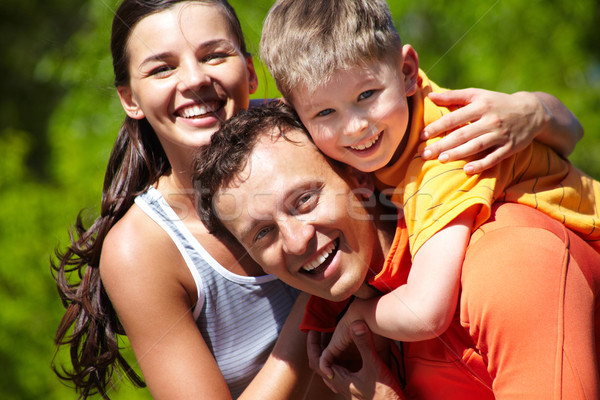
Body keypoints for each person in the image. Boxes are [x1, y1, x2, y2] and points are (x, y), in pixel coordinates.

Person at [50, 0, 586, 398]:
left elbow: (406, 99)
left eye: (214, 55)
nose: (195, 80)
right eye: (162, 67)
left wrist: (534, 110)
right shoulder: (145, 248)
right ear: (129, 98)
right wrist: (323, 310)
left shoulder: (326, 123)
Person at [259, 0, 600, 386]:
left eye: (367, 95)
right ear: (296, 115)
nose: (354, 127)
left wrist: (362, 317)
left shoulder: (443, 154)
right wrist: (537, 106)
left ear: (406, 72)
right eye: (325, 114)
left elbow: (426, 311)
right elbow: (570, 128)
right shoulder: (402, 111)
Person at [193, 101, 600, 399]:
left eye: (305, 200)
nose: (297, 241)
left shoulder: (509, 262)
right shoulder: (337, 338)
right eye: (263, 233)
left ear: (358, 179)